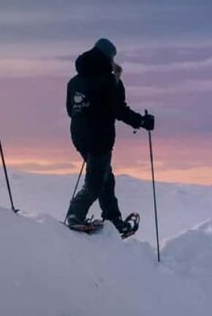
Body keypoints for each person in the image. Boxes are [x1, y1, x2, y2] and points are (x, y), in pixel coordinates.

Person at [65, 38, 155, 234]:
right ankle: (75, 215)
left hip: (79, 136)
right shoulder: (110, 80)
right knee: (96, 181)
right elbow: (119, 111)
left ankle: (113, 219)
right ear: (109, 58)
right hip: (100, 137)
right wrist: (142, 121)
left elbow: (70, 111)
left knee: (105, 176)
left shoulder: (74, 82)